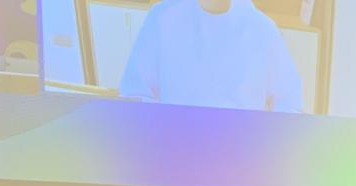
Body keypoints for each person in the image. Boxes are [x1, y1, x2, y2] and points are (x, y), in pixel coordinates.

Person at [119, 0, 304, 113]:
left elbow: (290, 102)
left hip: (242, 159)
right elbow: (135, 95)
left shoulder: (261, 28)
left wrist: (263, 144)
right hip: (174, 152)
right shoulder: (163, 18)